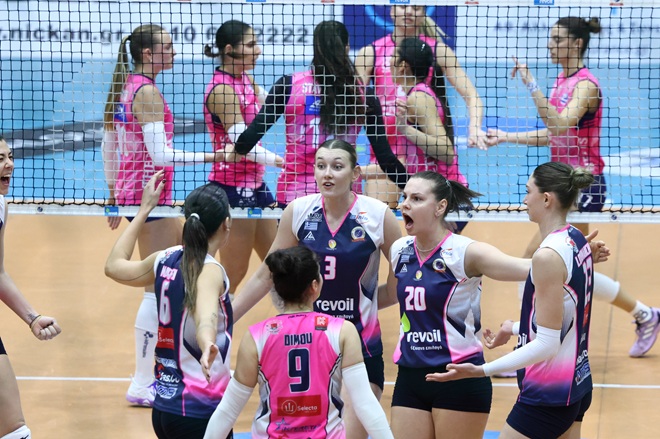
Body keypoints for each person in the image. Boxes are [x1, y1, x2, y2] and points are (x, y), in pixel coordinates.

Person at [380, 170, 608, 439]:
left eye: (416, 198)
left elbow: (528, 269)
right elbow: (389, 295)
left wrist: (568, 259)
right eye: (405, 197)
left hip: (460, 374)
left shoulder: (466, 252)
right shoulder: (400, 250)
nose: (405, 204)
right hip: (410, 375)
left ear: (440, 207)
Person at [486, 16, 659, 357]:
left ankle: (533, 344)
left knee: (550, 264)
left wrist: (531, 85)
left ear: (576, 43)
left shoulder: (586, 86)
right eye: (550, 38)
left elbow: (560, 125)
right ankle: (643, 314)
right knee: (561, 266)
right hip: (563, 186)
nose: (550, 45)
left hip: (584, 187)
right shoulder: (561, 81)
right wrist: (506, 137)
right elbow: (555, 135)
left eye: (557, 39)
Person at [231, 139, 402, 439]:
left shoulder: (378, 215)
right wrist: (226, 319)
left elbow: (402, 283)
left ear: (355, 174)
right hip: (310, 347)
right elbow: (265, 275)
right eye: (321, 166)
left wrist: (367, 303)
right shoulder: (298, 211)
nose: (327, 173)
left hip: (360, 346)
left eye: (337, 166)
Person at [101, 24, 225, 406]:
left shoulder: (127, 86)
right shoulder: (147, 92)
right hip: (149, 198)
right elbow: (161, 156)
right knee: (155, 288)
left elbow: (109, 142)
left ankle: (165, 369)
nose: (173, 52)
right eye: (167, 47)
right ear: (148, 54)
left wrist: (113, 192)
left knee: (173, 276)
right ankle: (142, 383)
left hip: (138, 195)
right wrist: (215, 155)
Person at [203, 245, 395, 439]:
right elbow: (365, 405)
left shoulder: (256, 336)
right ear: (314, 286)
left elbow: (227, 411)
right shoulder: (342, 331)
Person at [105, 170, 233, 439]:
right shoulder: (210, 271)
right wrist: (207, 343)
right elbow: (205, 317)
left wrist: (143, 211)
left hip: (164, 409)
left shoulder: (165, 258)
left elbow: (114, 266)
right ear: (226, 224)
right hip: (199, 411)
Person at [233, 20, 409, 207]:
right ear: (346, 48)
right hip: (343, 197)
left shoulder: (288, 86)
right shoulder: (363, 94)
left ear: (315, 49)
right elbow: (386, 159)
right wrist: (412, 188)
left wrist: (237, 149)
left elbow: (251, 135)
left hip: (295, 197)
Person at [355, 5, 486, 207]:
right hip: (385, 154)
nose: (409, 12)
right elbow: (356, 103)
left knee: (428, 217)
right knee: (376, 217)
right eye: (403, 6)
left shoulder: (436, 52)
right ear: (392, 10)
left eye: (416, 8)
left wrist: (474, 128)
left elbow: (471, 95)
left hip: (424, 153)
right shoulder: (370, 53)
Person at [203, 20, 283, 301]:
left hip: (256, 185)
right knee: (233, 274)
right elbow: (242, 143)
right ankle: (209, 324)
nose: (258, 50)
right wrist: (284, 162)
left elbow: (273, 104)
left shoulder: (245, 79)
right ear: (229, 50)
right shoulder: (222, 89)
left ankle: (294, 322)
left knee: (281, 264)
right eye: (250, 45)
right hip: (232, 189)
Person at [0, 136, 62, 439]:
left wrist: (32, 317)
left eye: (9, 156)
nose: (9, 164)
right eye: (0, 159)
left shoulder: (0, 206)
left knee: (14, 428)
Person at [387, 37, 470, 233]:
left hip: (446, 200)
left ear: (403, 66)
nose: (389, 61)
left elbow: (446, 151)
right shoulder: (415, 95)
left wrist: (405, 129)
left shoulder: (419, 98)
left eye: (393, 57)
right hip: (435, 196)